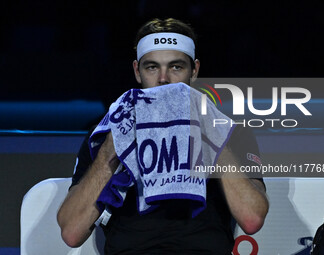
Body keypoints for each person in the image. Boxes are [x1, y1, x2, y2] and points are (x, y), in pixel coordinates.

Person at [57, 18, 269, 254]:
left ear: (195, 70)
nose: (163, 79)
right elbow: (71, 232)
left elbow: (252, 219)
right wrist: (110, 151)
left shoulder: (229, 131)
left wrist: (209, 131)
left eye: (176, 67)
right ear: (137, 71)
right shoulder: (106, 134)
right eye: (152, 67)